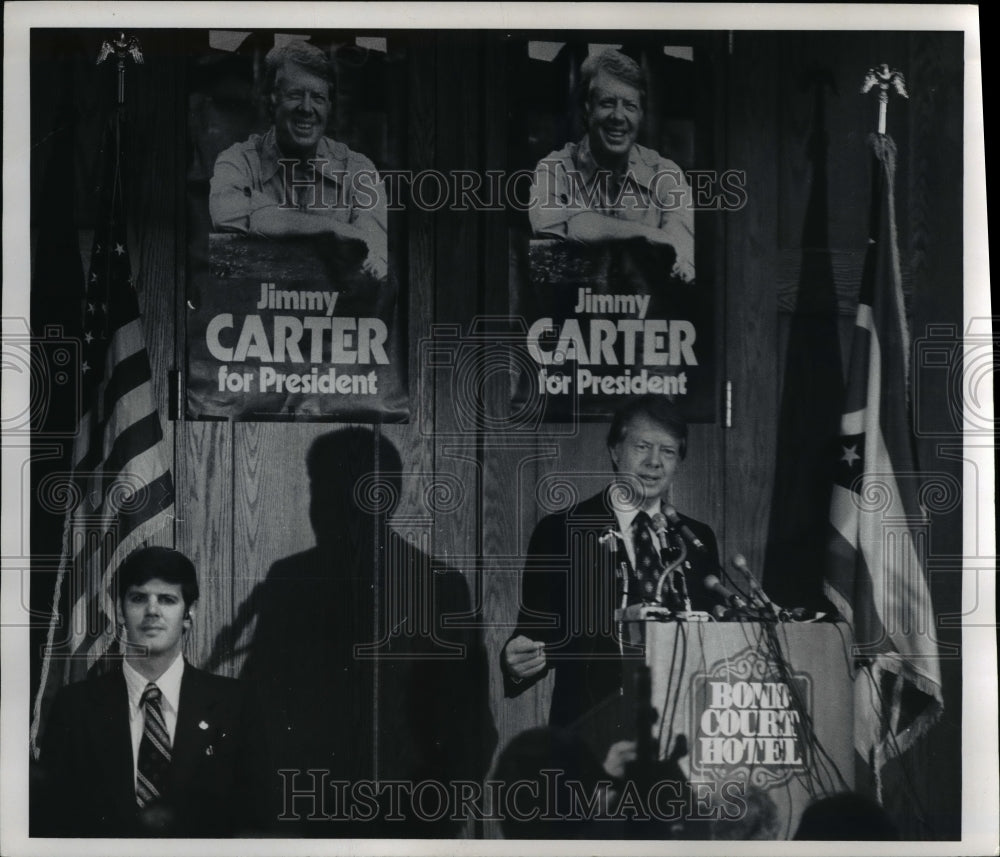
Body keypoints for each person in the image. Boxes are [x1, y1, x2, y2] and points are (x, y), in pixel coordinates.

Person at [237, 428, 497, 836]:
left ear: (387, 499)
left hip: (414, 820)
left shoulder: (440, 586)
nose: (325, 505)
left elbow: (469, 722)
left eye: (344, 490)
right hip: (310, 820)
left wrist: (439, 818)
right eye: (321, 489)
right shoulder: (290, 581)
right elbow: (262, 710)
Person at [502, 395, 722, 730]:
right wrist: (517, 660)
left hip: (683, 734)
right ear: (614, 450)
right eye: (642, 446)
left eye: (668, 451)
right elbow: (536, 635)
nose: (654, 462)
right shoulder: (560, 532)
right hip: (590, 733)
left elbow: (716, 638)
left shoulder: (696, 540)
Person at [34, 547, 269, 837]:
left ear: (189, 613)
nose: (152, 610)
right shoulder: (75, 706)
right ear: (120, 611)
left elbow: (256, 822)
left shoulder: (236, 705)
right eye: (138, 598)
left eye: (167, 599)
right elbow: (51, 824)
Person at [209, 40, 387, 279]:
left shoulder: (358, 170)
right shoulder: (238, 161)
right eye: (294, 95)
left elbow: (372, 249)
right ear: (272, 101)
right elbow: (227, 215)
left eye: (317, 97)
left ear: (329, 106)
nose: (306, 108)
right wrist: (332, 228)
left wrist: (274, 219)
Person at [528, 48, 695, 283]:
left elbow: (681, 256)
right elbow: (554, 245)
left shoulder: (667, 175)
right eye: (607, 103)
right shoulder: (554, 169)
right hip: (571, 314)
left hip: (649, 316)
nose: (618, 116)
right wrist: (648, 234)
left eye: (630, 106)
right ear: (588, 109)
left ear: (641, 115)